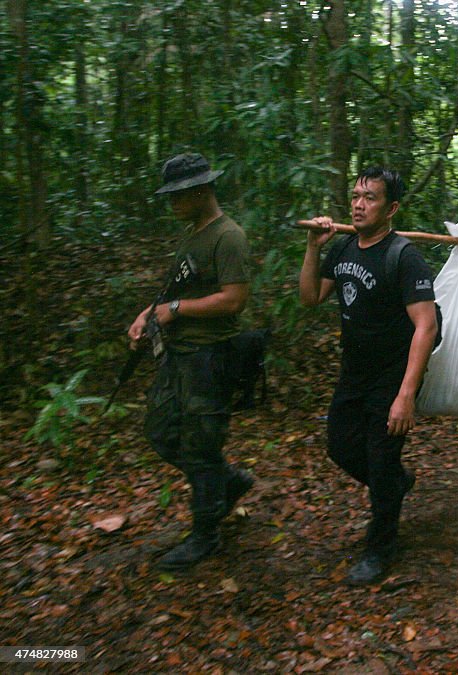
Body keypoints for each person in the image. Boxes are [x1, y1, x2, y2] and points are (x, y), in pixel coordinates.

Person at [299, 167, 438, 586]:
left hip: (392, 376)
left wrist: (406, 395)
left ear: (391, 208)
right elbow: (310, 297)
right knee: (340, 446)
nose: (358, 204)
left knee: (380, 460)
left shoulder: (404, 255)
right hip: (354, 372)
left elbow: (426, 326)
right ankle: (394, 484)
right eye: (356, 195)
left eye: (370, 197)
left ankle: (379, 549)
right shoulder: (342, 249)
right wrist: (312, 247)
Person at [129, 152, 254, 571]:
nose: (172, 204)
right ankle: (228, 481)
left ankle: (206, 535)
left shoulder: (228, 236)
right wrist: (149, 315)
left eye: (179, 195)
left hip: (209, 358)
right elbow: (178, 287)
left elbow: (234, 299)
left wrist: (177, 309)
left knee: (201, 448)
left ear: (202, 191)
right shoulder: (193, 233)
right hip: (180, 355)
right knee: (161, 430)